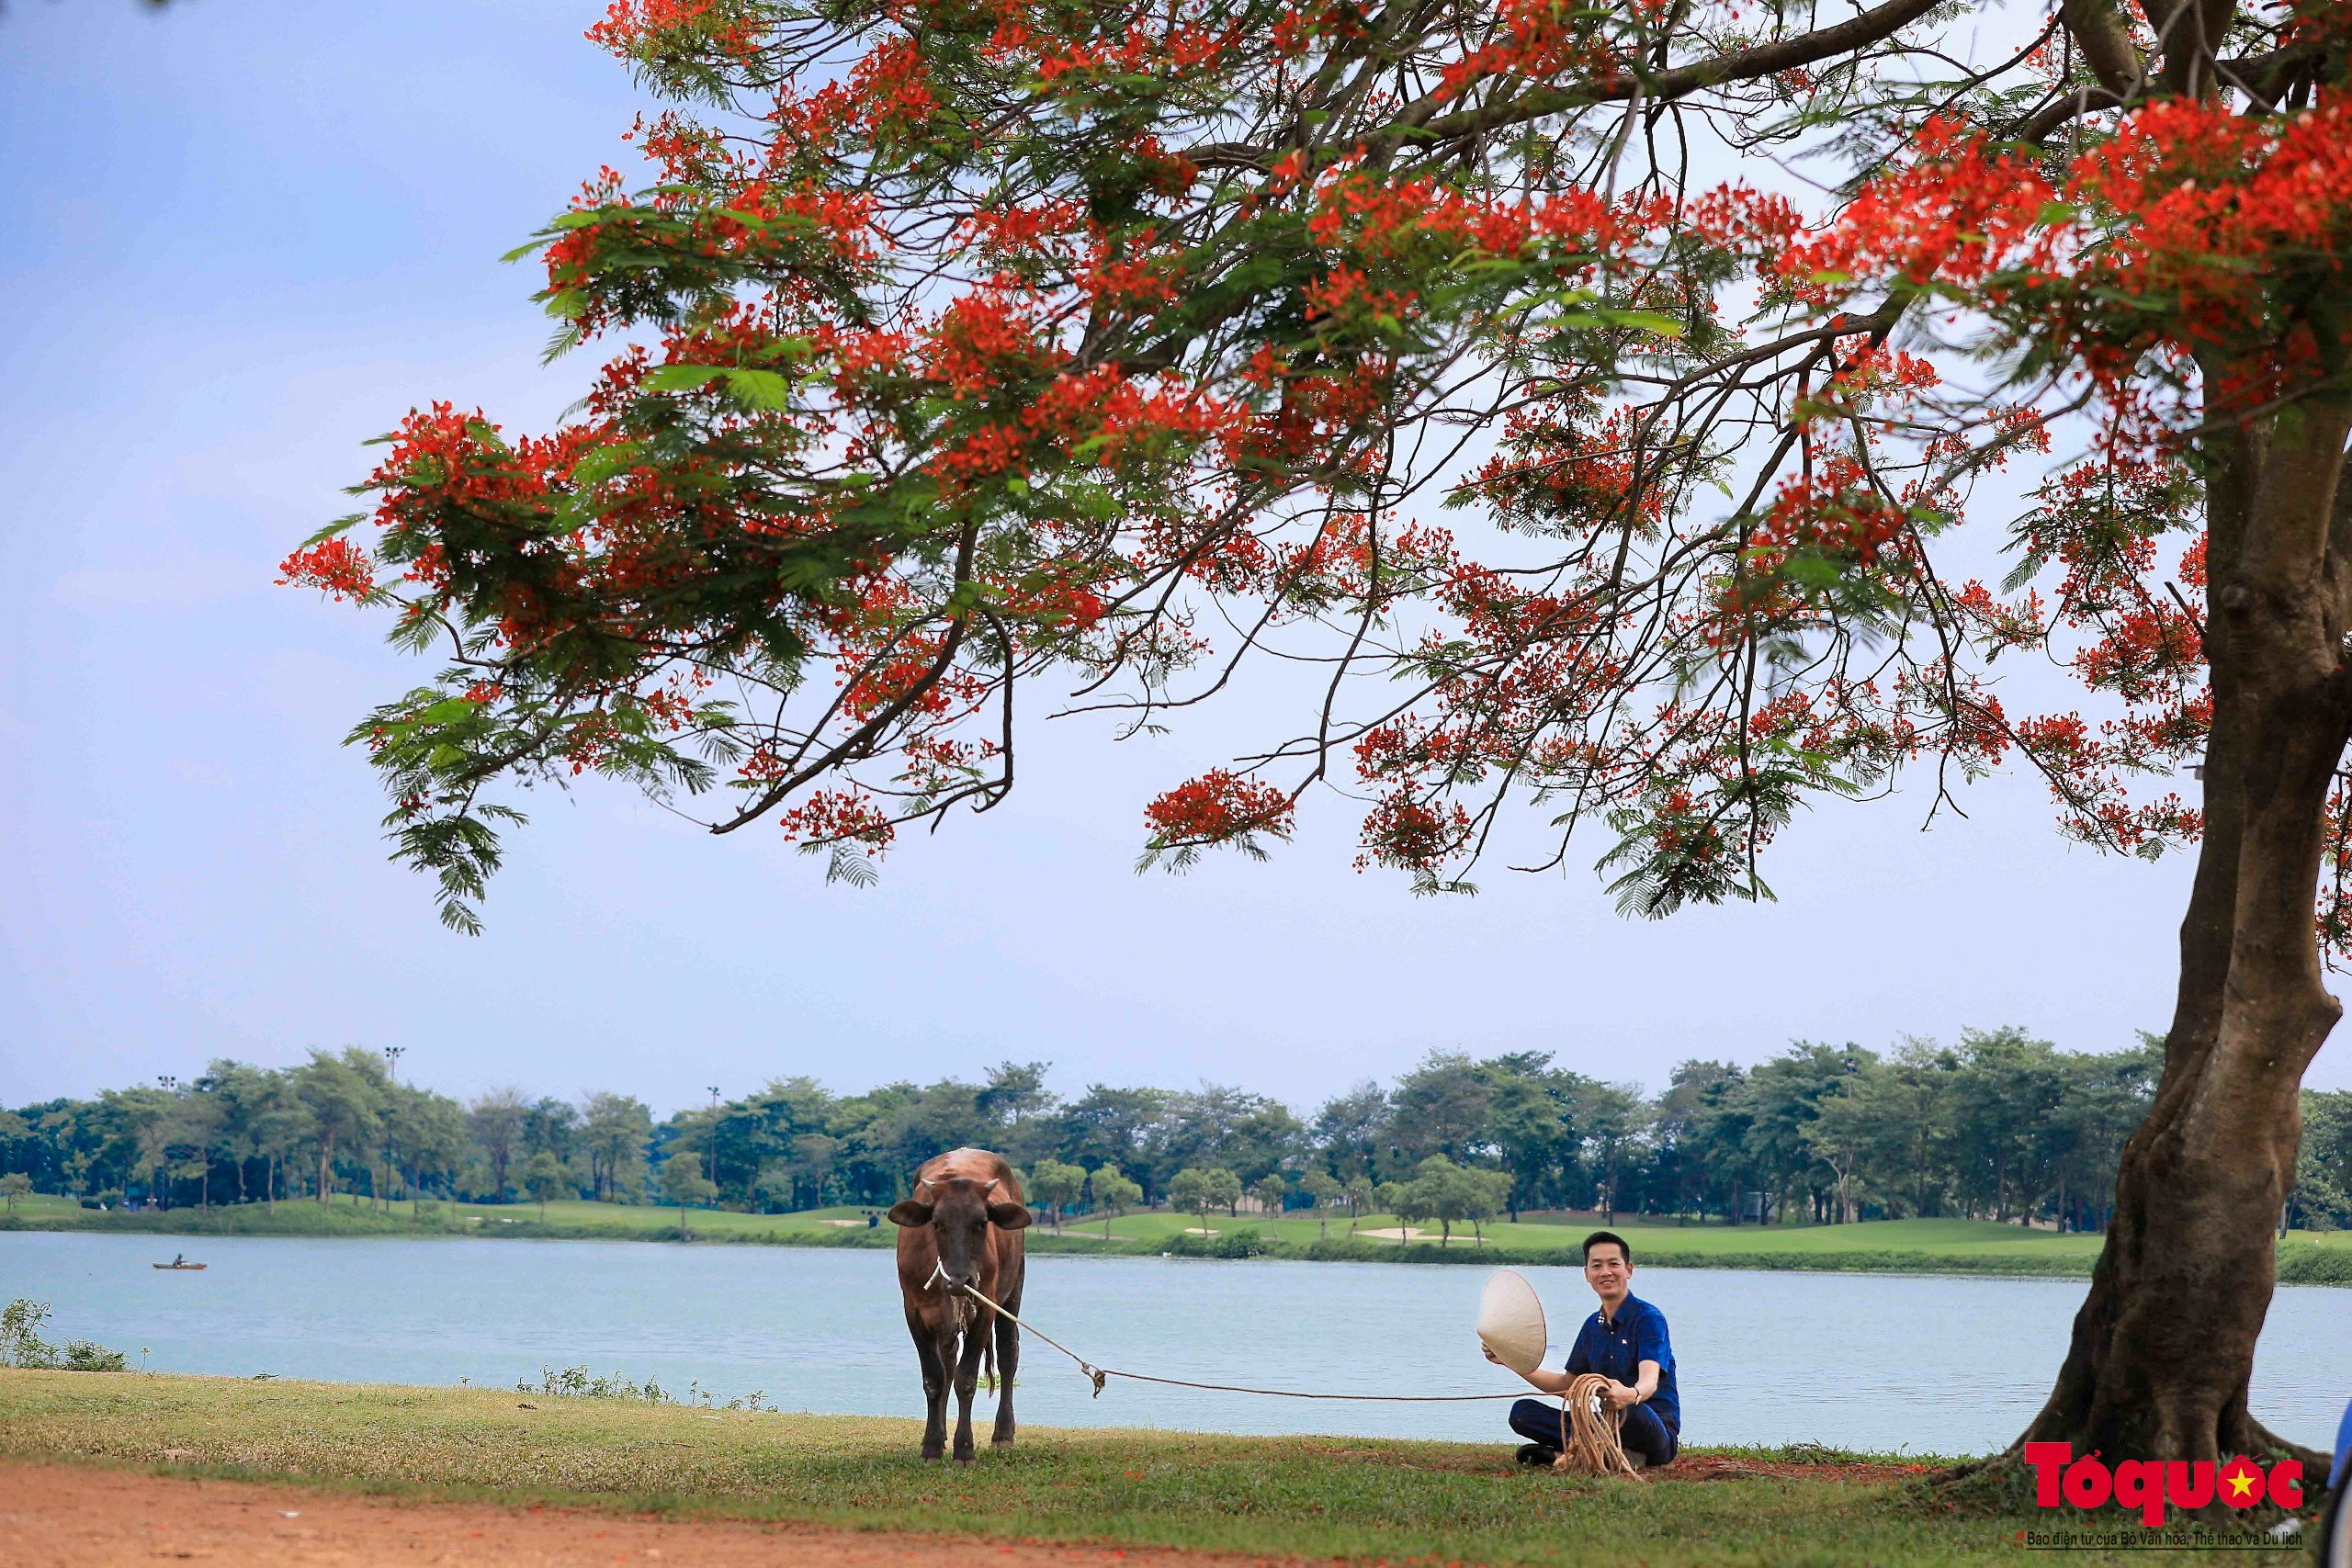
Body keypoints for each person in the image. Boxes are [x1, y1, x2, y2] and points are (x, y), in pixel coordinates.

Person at [1483, 1229, 1679, 1470]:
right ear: (1587, 1274)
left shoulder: (1649, 1319)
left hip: (1652, 1425)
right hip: (1605, 1426)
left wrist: (1629, 1395)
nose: (1605, 1272)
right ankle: (1604, 1452)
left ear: (1628, 1270)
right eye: (1596, 1266)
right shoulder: (1591, 1326)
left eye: (1613, 1264)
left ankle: (1582, 1453)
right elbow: (1567, 1386)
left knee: (1633, 1412)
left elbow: (1649, 1382)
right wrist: (1510, 1359)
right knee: (1522, 1412)